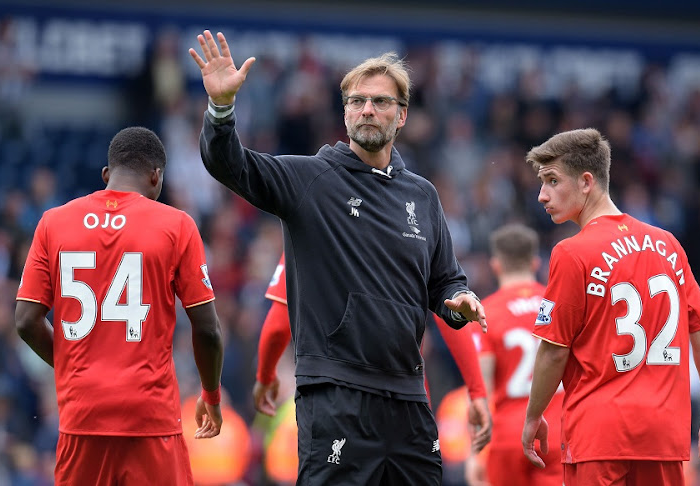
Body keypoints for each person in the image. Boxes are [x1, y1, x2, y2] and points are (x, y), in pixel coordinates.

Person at [189, 30, 487, 485]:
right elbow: (231, 165)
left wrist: (459, 298)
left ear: (402, 115)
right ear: (345, 112)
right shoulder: (310, 179)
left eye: (381, 102)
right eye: (357, 101)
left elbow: (444, 280)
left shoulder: (422, 196)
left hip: (409, 397)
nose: (367, 109)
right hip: (336, 394)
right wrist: (222, 110)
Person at [520, 128, 700, 486]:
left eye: (552, 181)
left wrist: (533, 416)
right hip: (663, 438)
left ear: (587, 181)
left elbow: (554, 352)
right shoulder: (669, 245)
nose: (542, 195)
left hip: (598, 438)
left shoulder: (572, 252)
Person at [15, 126, 225, 485]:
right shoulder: (176, 225)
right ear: (157, 177)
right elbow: (206, 328)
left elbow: (24, 321)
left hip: (81, 417)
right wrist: (211, 395)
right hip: (150, 418)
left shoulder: (54, 222)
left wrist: (69, 366)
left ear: (107, 175)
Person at [253, 252, 491, 444]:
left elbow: (278, 325)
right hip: (409, 408)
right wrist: (477, 391)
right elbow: (450, 307)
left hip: (341, 407)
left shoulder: (314, 219)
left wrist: (265, 377)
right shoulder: (412, 219)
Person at [464, 223, 563, 486]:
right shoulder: (557, 307)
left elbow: (479, 390)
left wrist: (475, 454)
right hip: (558, 432)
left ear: (496, 265)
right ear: (535, 263)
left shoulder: (485, 313)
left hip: (509, 436)